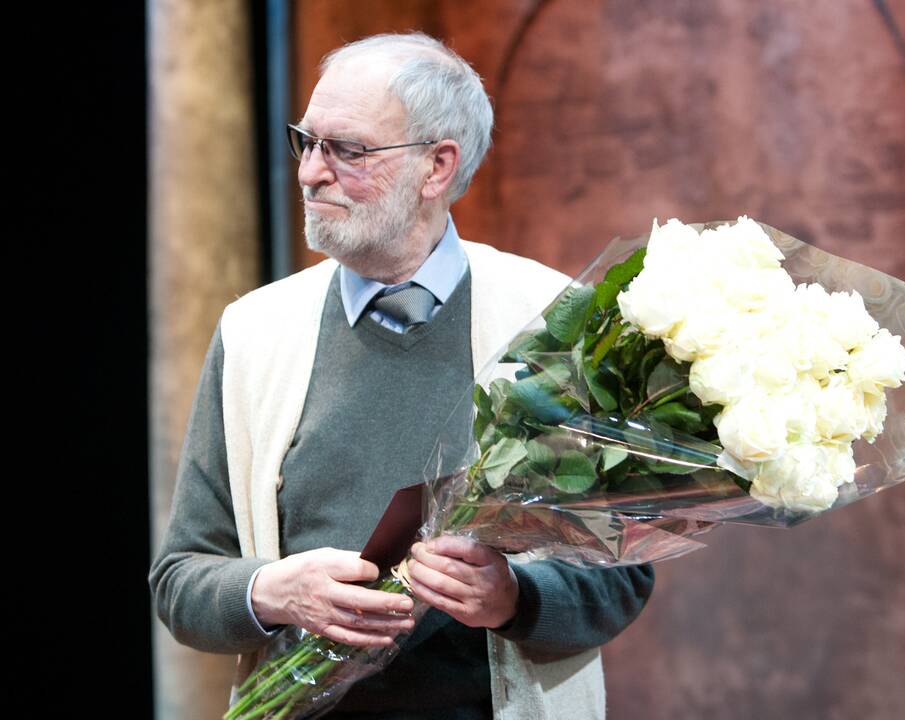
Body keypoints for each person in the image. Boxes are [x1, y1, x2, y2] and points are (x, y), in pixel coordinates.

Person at [148, 32, 654, 720]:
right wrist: (267, 590)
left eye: (347, 150)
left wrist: (513, 597)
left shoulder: (552, 319)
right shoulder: (254, 331)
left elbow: (622, 580)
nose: (309, 173)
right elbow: (180, 581)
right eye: (307, 141)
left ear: (436, 166)